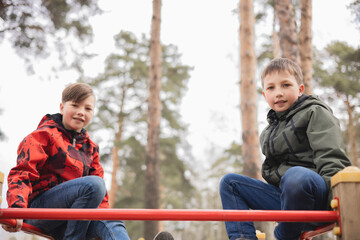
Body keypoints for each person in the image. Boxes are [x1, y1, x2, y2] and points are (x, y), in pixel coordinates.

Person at [219, 58, 351, 240]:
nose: (278, 93)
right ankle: (243, 238)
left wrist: (334, 205)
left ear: (300, 89)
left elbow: (332, 158)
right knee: (230, 183)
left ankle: (284, 235)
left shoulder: (314, 112)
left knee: (296, 176)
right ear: (265, 95)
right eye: (271, 88)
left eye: (286, 85)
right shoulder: (269, 131)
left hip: (317, 197)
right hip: (287, 202)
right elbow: (273, 174)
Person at [2, 83, 131, 239]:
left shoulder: (90, 148)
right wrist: (17, 209)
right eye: (75, 105)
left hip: (75, 220)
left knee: (111, 220)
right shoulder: (43, 136)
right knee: (94, 184)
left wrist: (102, 219)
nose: (81, 112)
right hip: (41, 211)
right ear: (62, 107)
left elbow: (101, 199)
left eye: (87, 109)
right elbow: (23, 173)